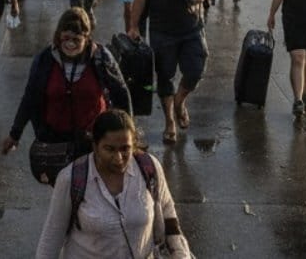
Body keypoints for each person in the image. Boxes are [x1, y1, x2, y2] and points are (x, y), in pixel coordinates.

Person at [36, 109, 191, 259]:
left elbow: (169, 217)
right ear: (95, 146)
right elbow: (50, 240)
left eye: (125, 149)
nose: (118, 158)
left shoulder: (149, 168)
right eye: (109, 149)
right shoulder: (71, 179)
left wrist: (181, 255)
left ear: (134, 144)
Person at [126, 0, 213, 144]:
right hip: (162, 30)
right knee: (165, 76)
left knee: (196, 69)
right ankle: (169, 122)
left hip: (192, 27)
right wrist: (134, 26)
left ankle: (180, 101)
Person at [2, 8, 130, 157]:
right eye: (66, 38)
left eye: (76, 39)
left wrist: (127, 137)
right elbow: (30, 98)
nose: (70, 44)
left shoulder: (101, 58)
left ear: (87, 38)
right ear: (58, 36)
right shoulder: (45, 59)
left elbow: (121, 93)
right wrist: (14, 134)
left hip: (92, 141)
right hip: (54, 140)